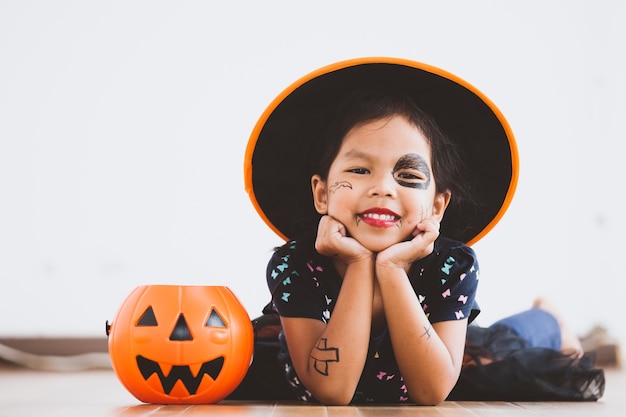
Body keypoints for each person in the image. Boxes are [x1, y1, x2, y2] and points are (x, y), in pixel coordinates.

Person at [238, 58, 603, 404]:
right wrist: (361, 263)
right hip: (316, 370)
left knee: (496, 349)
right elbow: (334, 391)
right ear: (321, 193)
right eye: (360, 171)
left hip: (433, 357)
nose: (383, 188)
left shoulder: (451, 265)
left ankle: (549, 317)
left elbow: (431, 393)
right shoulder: (294, 265)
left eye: (408, 176)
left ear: (437, 207)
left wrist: (391, 269)